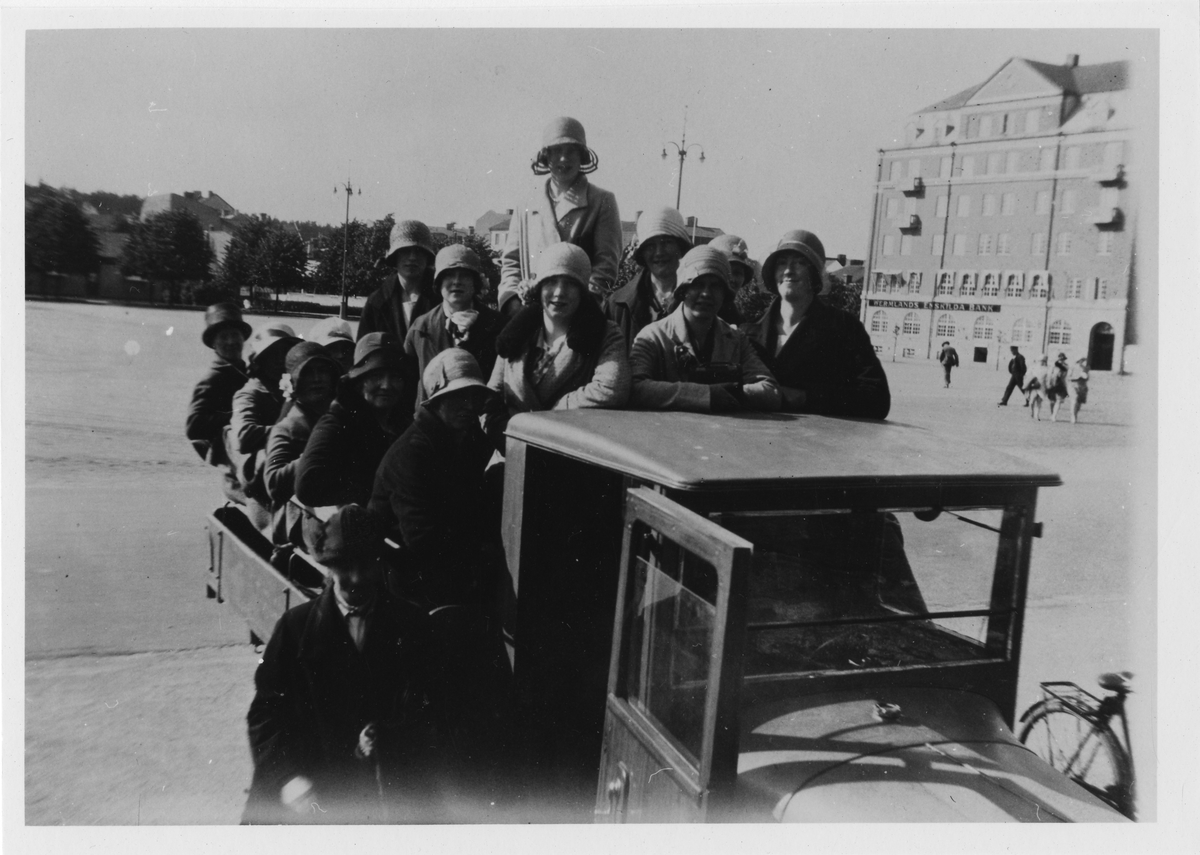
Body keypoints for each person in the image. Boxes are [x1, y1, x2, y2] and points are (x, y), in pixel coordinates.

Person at [243, 505, 441, 824]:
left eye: (366, 565)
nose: (356, 578)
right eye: (345, 567)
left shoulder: (413, 625)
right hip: (314, 786)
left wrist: (389, 737)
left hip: (389, 789)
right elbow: (265, 714)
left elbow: (434, 712)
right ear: (328, 567)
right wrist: (287, 778)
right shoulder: (294, 628)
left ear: (379, 564)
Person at [370, 350, 512, 794]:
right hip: (411, 583)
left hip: (450, 573)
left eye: (474, 399)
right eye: (457, 399)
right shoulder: (413, 452)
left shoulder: (462, 438)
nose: (468, 407)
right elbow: (424, 541)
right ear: (433, 401)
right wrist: (483, 557)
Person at [485, 243, 631, 451]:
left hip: (568, 453)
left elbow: (612, 389)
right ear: (539, 287)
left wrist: (550, 415)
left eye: (570, 284)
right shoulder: (518, 333)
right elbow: (493, 394)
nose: (559, 292)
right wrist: (501, 433)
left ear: (582, 292)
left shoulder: (605, 334)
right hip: (512, 450)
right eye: (551, 281)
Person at [741, 230, 890, 418]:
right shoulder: (747, 333)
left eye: (800, 262)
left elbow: (877, 399)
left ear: (815, 273)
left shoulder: (844, 328)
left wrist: (806, 397)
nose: (788, 270)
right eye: (782, 263)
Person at [629, 244, 779, 413]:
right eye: (698, 284)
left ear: (725, 294)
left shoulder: (736, 339)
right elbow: (634, 387)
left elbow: (771, 390)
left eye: (715, 286)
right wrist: (705, 395)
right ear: (683, 291)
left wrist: (731, 394)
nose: (706, 293)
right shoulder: (654, 336)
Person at [497, 117, 622, 316]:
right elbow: (511, 261)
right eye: (557, 151)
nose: (564, 159)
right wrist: (513, 301)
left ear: (582, 156)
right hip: (529, 310)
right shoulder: (526, 205)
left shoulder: (601, 200)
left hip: (578, 311)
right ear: (546, 156)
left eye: (571, 151)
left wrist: (583, 302)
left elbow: (606, 264)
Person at [294, 333, 414, 509]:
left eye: (395, 377)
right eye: (376, 376)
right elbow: (306, 486)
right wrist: (374, 490)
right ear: (359, 381)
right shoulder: (338, 421)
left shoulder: (401, 422)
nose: (386, 385)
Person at [404, 244, 503, 413]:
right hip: (432, 420)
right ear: (439, 282)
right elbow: (409, 381)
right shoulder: (420, 328)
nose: (456, 281)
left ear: (475, 282)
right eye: (449, 275)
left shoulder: (497, 325)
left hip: (479, 418)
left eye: (464, 275)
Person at [263, 342, 342, 543]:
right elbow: (273, 484)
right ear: (294, 381)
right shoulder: (287, 428)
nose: (317, 379)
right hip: (303, 523)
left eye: (322, 371)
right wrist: (316, 454)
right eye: (307, 373)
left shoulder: (342, 416)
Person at [229, 323, 302, 527]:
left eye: (285, 352)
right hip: (258, 485)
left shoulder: (296, 389)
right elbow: (244, 436)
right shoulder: (249, 394)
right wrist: (289, 433)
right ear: (259, 359)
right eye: (272, 353)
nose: (279, 359)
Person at [185, 302, 251, 500]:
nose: (231, 342)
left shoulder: (247, 370)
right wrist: (238, 416)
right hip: (235, 466)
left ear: (243, 338)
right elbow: (194, 425)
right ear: (213, 343)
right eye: (223, 337)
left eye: (235, 335)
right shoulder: (212, 378)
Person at [604, 206, 692, 349]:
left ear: (680, 246)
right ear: (642, 253)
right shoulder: (618, 306)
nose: (659, 252)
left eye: (666, 242)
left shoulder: (701, 298)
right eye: (650, 245)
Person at [357, 220, 438, 345]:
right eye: (405, 251)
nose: (412, 257)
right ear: (395, 256)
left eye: (418, 251)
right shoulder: (377, 302)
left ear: (427, 257)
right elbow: (363, 349)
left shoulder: (442, 297)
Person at [1026, 354, 1050, 421]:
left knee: (1039, 401)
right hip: (1033, 386)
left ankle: (1037, 415)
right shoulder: (1033, 367)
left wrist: (1048, 387)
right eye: (1041, 361)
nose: (1042, 362)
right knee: (1032, 401)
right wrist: (1030, 381)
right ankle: (1032, 412)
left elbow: (1048, 379)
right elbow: (1027, 375)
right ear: (1038, 361)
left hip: (1042, 386)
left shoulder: (1047, 369)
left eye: (1043, 361)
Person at [1069, 357, 1090, 424]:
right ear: (1078, 360)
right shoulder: (1073, 367)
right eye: (1081, 360)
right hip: (1074, 385)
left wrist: (1085, 376)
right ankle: (1073, 415)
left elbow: (1088, 378)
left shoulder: (1085, 368)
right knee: (1074, 400)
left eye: (1083, 360)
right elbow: (1068, 377)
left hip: (1083, 386)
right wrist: (1077, 377)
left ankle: (1075, 414)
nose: (1082, 362)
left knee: (1079, 403)